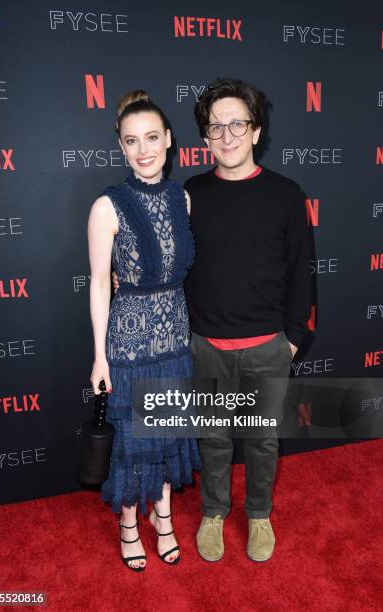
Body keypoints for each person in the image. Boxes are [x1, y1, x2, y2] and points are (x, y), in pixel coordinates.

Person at [184, 78, 312, 562]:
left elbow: (302, 271)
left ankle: (259, 514)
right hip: (208, 345)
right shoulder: (192, 193)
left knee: (261, 440)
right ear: (205, 139)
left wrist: (293, 340)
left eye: (238, 123)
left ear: (256, 131)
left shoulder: (285, 194)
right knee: (213, 439)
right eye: (217, 127)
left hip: (267, 346)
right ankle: (213, 513)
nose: (228, 135)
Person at [88, 90, 200, 572]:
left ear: (169, 140)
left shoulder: (183, 198)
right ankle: (130, 526)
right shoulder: (107, 206)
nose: (144, 149)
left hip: (175, 338)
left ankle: (165, 518)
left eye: (152, 137)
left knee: (169, 434)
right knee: (135, 441)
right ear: (121, 147)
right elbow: (97, 285)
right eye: (132, 141)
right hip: (130, 344)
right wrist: (99, 357)